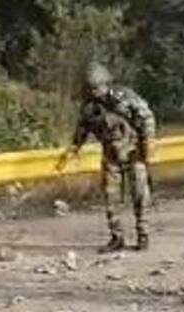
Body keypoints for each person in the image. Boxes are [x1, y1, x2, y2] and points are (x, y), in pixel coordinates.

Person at [58, 63, 156, 253]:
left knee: (140, 194)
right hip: (110, 154)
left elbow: (146, 116)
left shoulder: (124, 97)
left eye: (97, 87)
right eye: (91, 88)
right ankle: (116, 237)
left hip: (133, 150)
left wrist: (148, 142)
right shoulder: (89, 108)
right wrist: (73, 150)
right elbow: (82, 130)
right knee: (111, 197)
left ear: (105, 83)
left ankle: (143, 235)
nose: (95, 92)